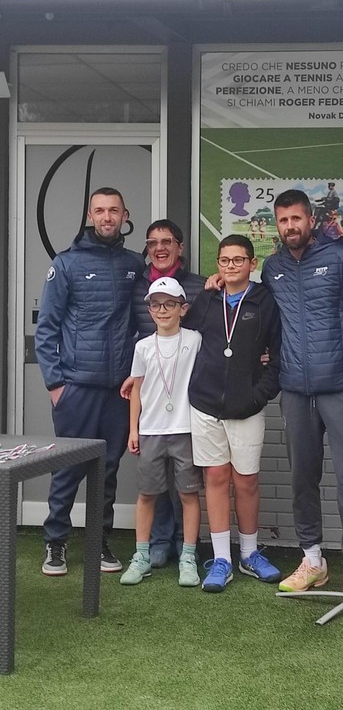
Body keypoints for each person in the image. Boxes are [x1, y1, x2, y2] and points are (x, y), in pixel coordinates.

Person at [261, 189, 343, 597]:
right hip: (295, 391)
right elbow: (264, 318)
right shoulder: (272, 268)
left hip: (342, 387)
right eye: (283, 220)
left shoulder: (340, 258)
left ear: (310, 220)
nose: (290, 226)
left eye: (296, 218)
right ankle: (313, 560)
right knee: (302, 478)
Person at [35, 187, 144, 576]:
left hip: (118, 390)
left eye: (113, 210)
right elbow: (46, 328)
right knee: (67, 469)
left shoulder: (135, 264)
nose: (107, 217)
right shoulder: (66, 264)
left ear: (124, 215)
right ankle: (56, 543)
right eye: (100, 210)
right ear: (89, 216)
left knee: (107, 470)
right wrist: (56, 386)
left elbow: (150, 315)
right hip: (76, 389)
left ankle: (99, 542)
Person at [188, 234, 282, 592]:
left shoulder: (264, 301)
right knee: (215, 477)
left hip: (247, 407)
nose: (231, 266)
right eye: (225, 260)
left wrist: (258, 396)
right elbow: (186, 337)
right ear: (218, 264)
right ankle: (221, 558)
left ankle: (249, 553)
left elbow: (278, 355)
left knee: (246, 480)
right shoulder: (208, 298)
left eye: (238, 260)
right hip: (206, 405)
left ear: (252, 264)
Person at [128, 219, 206, 568]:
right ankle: (154, 545)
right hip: (151, 419)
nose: (162, 310)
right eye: (152, 242)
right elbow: (137, 380)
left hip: (186, 420)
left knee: (187, 490)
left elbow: (218, 341)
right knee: (152, 488)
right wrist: (133, 424)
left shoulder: (200, 291)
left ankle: (186, 548)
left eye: (167, 241)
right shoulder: (136, 290)